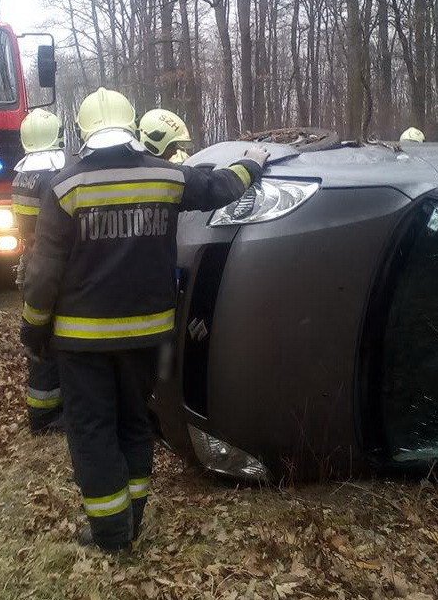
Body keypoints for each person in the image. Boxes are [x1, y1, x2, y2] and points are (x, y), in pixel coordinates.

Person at [19, 87, 269, 552]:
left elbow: (43, 273)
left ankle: (111, 534)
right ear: (133, 125)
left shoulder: (65, 187)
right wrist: (251, 164)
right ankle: (132, 517)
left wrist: (33, 327)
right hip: (148, 335)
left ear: (83, 131)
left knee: (92, 430)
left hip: (82, 342)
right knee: (134, 422)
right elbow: (220, 187)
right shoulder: (167, 175)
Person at [11, 108, 67, 433]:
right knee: (48, 341)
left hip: (31, 262)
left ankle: (42, 411)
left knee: (39, 336)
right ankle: (46, 417)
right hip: (47, 263)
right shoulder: (51, 177)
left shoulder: (22, 174)